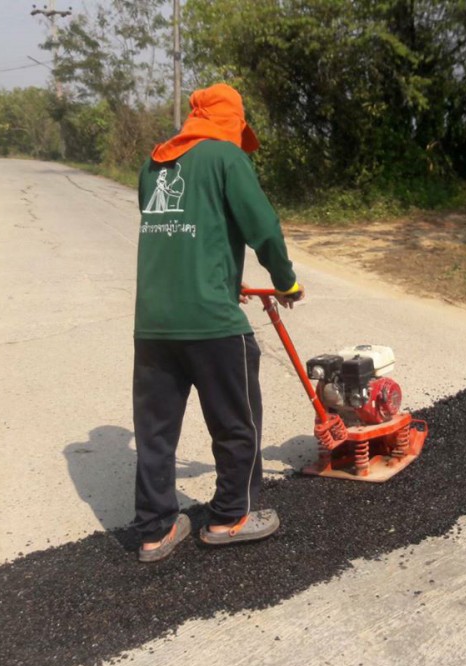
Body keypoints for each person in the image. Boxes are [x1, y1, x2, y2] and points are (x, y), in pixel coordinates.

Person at [133, 82, 304, 563]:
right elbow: (263, 228)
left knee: (155, 434)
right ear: (230, 123)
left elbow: (183, 236)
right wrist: (286, 282)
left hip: (152, 326)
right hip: (212, 324)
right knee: (236, 423)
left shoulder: (153, 164)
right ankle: (231, 517)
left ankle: (155, 530)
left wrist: (225, 279)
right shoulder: (228, 159)